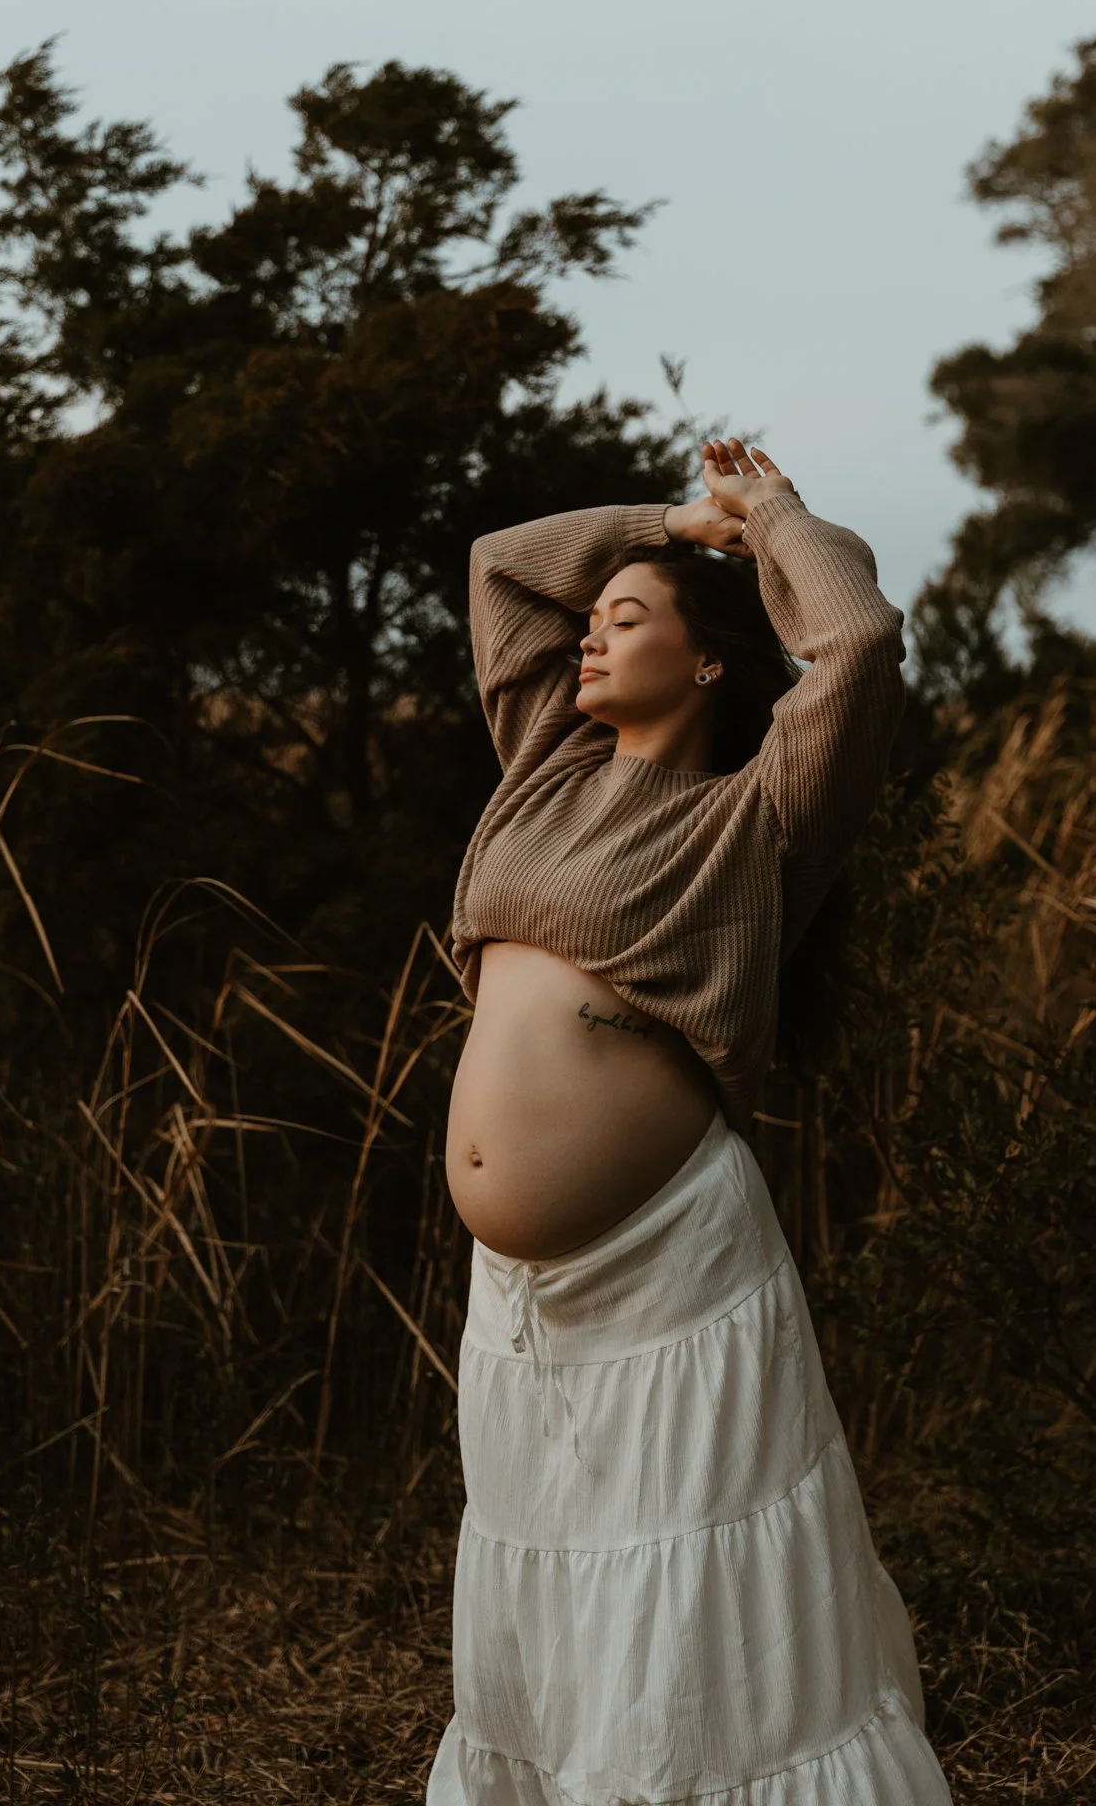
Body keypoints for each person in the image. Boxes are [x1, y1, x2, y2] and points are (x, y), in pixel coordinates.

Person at [426, 437, 952, 1805]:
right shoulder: (541, 761)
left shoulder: (756, 819)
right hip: (523, 1296)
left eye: (628, 618)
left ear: (709, 660)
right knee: (561, 1580)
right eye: (592, 621)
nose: (590, 634)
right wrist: (665, 526)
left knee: (687, 1589)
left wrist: (770, 520)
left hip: (672, 1276)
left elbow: (857, 638)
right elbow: (502, 569)